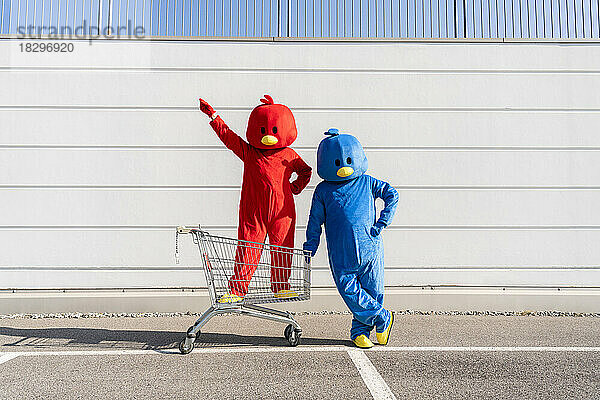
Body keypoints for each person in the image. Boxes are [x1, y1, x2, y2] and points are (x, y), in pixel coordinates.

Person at [198, 95, 312, 302]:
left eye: (274, 131)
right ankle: (237, 290)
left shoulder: (289, 155)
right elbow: (229, 138)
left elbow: (306, 171)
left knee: (283, 248)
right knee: (248, 248)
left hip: (282, 213)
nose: (269, 136)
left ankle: (280, 286)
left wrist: (294, 188)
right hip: (253, 212)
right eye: (263, 131)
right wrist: (214, 117)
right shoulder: (249, 152)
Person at [303, 128, 398, 348]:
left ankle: (359, 332)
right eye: (337, 162)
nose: (344, 167)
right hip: (341, 253)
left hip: (370, 247)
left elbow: (392, 194)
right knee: (348, 289)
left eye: (347, 160)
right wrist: (310, 245)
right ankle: (382, 317)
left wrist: (382, 221)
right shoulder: (323, 190)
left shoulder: (367, 182)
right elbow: (315, 220)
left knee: (373, 290)